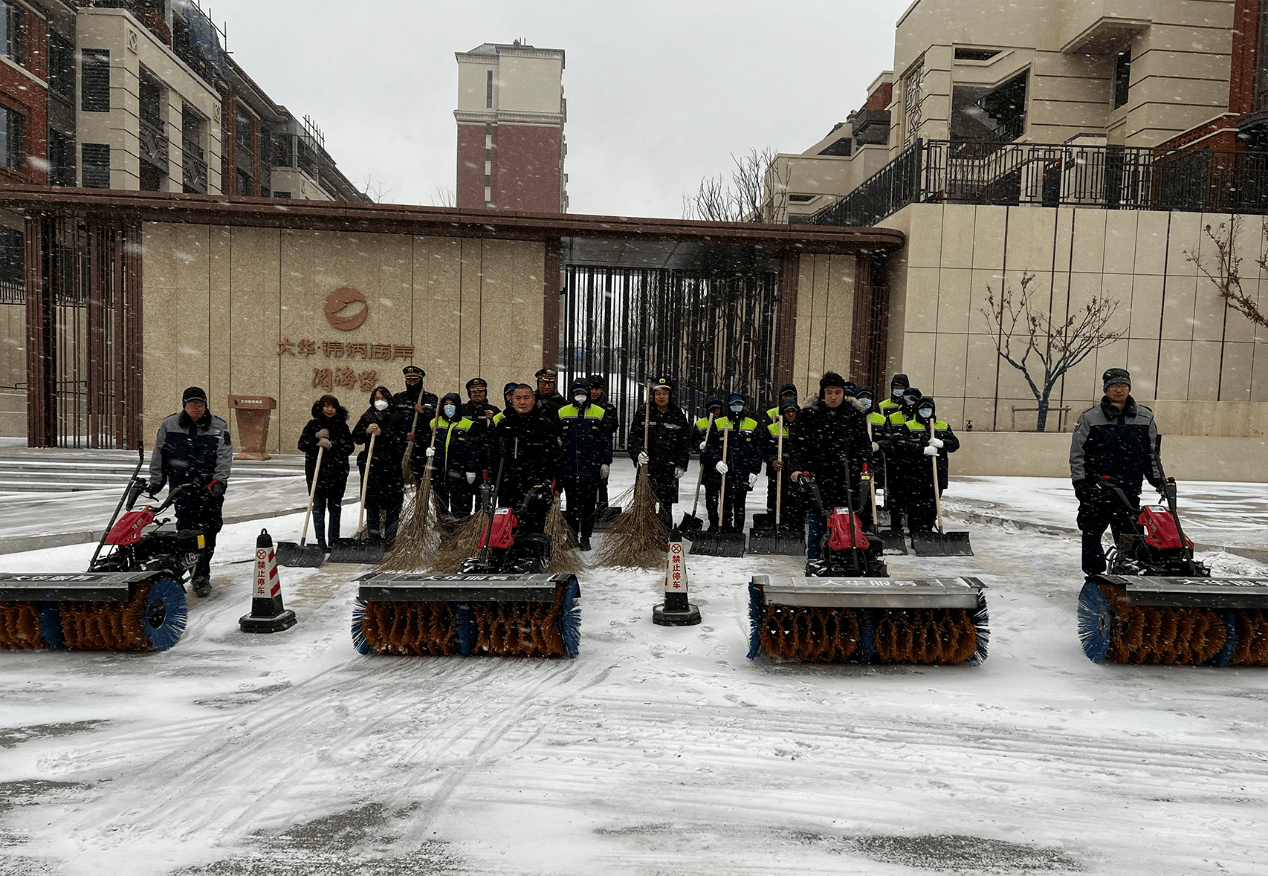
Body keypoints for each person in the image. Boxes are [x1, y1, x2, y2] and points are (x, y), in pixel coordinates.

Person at [1070, 368, 1165, 577]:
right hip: (1097, 489)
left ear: (1129, 387)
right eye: (1113, 386)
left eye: (1123, 385)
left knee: (1131, 535)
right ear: (1106, 390)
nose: (1119, 390)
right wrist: (1080, 483)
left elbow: (1151, 454)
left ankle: (1129, 573)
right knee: (1092, 532)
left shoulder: (1145, 416)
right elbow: (1078, 453)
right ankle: (1094, 576)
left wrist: (1158, 480)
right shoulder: (1090, 417)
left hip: (1128, 489)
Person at [146, 386, 232, 596]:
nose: (196, 407)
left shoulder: (218, 426)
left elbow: (224, 456)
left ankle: (202, 573)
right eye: (192, 403)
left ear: (205, 405)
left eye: (200, 403)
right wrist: (156, 481)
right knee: (186, 531)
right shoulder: (169, 425)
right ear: (184, 405)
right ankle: (193, 573)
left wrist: (219, 481)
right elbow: (159, 454)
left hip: (209, 490)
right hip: (182, 489)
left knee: (209, 532)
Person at [786, 372, 874, 559]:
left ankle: (850, 558)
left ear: (844, 393)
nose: (833, 397)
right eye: (829, 392)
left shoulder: (853, 415)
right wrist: (796, 469)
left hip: (848, 481)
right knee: (818, 522)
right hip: (818, 478)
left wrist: (866, 468)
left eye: (838, 392)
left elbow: (863, 446)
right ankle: (815, 560)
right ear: (822, 393)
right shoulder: (810, 415)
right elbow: (797, 447)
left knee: (851, 523)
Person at [496, 383, 564, 534]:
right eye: (518, 398)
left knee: (534, 529)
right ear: (512, 400)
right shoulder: (504, 425)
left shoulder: (546, 425)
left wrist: (558, 483)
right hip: (509, 487)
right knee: (508, 529)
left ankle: (532, 556)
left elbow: (557, 456)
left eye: (526, 398)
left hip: (538, 487)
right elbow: (493, 455)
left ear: (533, 399)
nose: (522, 402)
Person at [627, 376, 690, 531]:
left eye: (665, 393)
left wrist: (681, 465)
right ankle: (644, 536)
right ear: (653, 395)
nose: (661, 397)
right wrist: (637, 454)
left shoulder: (677, 414)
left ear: (670, 395)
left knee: (665, 506)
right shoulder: (644, 412)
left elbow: (684, 442)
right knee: (644, 504)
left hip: (668, 469)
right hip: (647, 468)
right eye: (658, 393)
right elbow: (633, 438)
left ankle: (663, 536)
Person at [557, 378, 613, 551]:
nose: (579, 396)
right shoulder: (562, 412)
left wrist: (605, 462)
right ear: (572, 394)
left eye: (582, 393)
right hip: (570, 467)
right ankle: (572, 537)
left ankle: (586, 537)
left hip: (591, 467)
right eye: (576, 393)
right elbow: (556, 440)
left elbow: (606, 440)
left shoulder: (600, 412)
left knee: (588, 505)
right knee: (572, 505)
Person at [891, 396, 960, 533]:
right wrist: (922, 450)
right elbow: (900, 446)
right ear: (917, 410)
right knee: (916, 506)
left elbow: (955, 444)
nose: (925, 411)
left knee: (932, 505)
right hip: (915, 475)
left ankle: (928, 530)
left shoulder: (943, 426)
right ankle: (915, 531)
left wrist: (943, 444)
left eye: (928, 408)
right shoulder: (910, 426)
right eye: (922, 408)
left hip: (936, 473)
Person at [296, 394, 354, 551]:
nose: (330, 409)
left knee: (335, 507)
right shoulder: (313, 425)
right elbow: (301, 445)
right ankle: (320, 541)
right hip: (317, 474)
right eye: (326, 406)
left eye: (333, 406)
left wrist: (332, 445)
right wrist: (315, 439)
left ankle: (334, 540)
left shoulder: (342, 426)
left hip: (337, 473)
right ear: (321, 408)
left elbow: (349, 447)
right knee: (318, 506)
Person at [352, 385, 408, 544]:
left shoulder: (397, 417)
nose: (380, 402)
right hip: (372, 468)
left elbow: (401, 441)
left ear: (389, 400)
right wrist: (366, 431)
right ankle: (373, 539)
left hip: (391, 468)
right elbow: (355, 437)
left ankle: (390, 540)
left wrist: (383, 434)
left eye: (383, 398)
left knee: (393, 505)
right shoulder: (368, 416)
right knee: (372, 505)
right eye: (377, 399)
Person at [704, 392, 763, 533]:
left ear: (744, 406)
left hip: (743, 472)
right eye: (733, 405)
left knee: (740, 504)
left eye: (739, 404)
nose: (736, 407)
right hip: (725, 472)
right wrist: (716, 461)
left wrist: (755, 471)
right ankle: (724, 530)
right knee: (725, 503)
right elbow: (710, 447)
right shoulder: (719, 423)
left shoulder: (752, 424)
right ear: (728, 406)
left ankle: (737, 532)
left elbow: (757, 450)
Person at [425, 392, 480, 519]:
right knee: (441, 505)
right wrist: (428, 450)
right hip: (440, 473)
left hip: (459, 473)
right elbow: (426, 441)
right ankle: (443, 529)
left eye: (452, 404)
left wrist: (471, 468)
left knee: (460, 506)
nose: (449, 407)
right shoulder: (435, 423)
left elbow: (472, 449)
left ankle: (459, 531)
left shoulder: (467, 424)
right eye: (446, 404)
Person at [882, 386, 923, 535]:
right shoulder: (893, 417)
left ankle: (915, 528)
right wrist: (896, 441)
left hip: (916, 465)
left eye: (913, 399)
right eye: (907, 399)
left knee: (915, 499)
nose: (910, 402)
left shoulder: (921, 419)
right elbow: (887, 438)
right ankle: (895, 527)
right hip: (897, 463)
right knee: (896, 498)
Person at [762, 399, 805, 529]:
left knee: (797, 503)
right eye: (787, 412)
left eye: (793, 411)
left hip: (797, 473)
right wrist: (772, 461)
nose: (791, 415)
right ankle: (777, 526)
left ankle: (796, 529)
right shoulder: (772, 429)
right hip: (779, 473)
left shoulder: (803, 429)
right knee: (777, 501)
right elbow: (764, 450)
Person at [587, 374, 619, 516]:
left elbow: (611, 429)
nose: (594, 392)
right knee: (585, 483)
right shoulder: (582, 406)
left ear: (602, 390)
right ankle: (586, 511)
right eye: (591, 388)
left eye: (597, 389)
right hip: (585, 450)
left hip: (601, 450)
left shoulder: (609, 409)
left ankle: (602, 510)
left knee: (602, 482)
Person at [692, 396, 724, 530]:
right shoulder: (701, 424)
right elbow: (692, 442)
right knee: (711, 497)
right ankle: (713, 521)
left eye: (718, 409)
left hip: (724, 464)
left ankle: (724, 522)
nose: (715, 412)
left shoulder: (725, 423)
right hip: (708, 465)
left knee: (725, 496)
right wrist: (699, 445)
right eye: (713, 409)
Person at [393, 365, 438, 453]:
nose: (412, 384)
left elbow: (436, 420)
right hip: (401, 446)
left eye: (415, 380)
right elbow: (394, 421)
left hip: (423, 445)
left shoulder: (431, 399)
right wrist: (404, 434)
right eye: (409, 381)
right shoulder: (398, 398)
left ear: (421, 381)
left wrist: (423, 412)